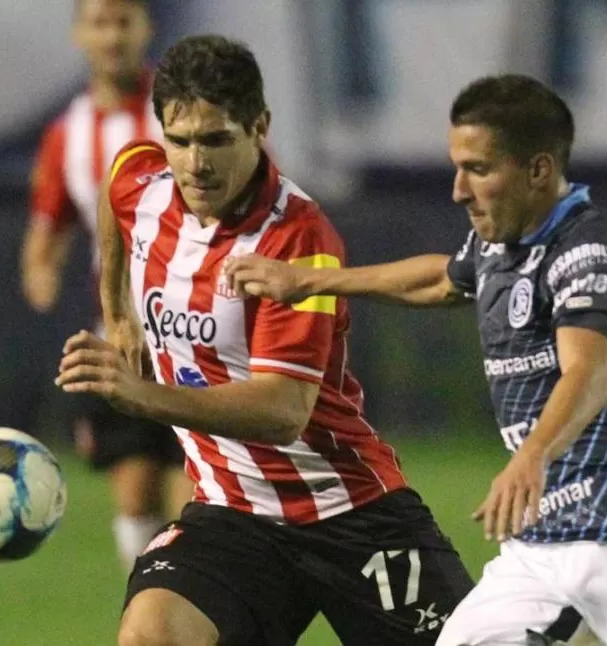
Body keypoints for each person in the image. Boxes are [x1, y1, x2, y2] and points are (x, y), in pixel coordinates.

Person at [224, 74, 607, 646]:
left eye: (478, 169)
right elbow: (441, 278)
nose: (458, 189)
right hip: (543, 540)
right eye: (457, 167)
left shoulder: (588, 250)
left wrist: (531, 456)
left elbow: (589, 371)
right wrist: (310, 279)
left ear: (539, 170)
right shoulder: (498, 243)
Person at [55, 34, 477, 646]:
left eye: (217, 140)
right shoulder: (140, 179)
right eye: (181, 140)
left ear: (259, 127)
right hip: (232, 516)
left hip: (347, 509)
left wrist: (142, 395)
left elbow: (283, 412)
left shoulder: (296, 238)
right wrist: (119, 315)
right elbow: (112, 201)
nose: (196, 163)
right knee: (152, 636)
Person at [21, 0, 190, 572]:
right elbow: (47, 231)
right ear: (80, 34)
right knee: (135, 491)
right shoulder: (67, 136)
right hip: (120, 340)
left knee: (196, 503)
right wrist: (41, 272)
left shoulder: (186, 116)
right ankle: (153, 613)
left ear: (146, 28)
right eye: (100, 22)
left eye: (124, 21)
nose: (112, 35)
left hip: (198, 337)